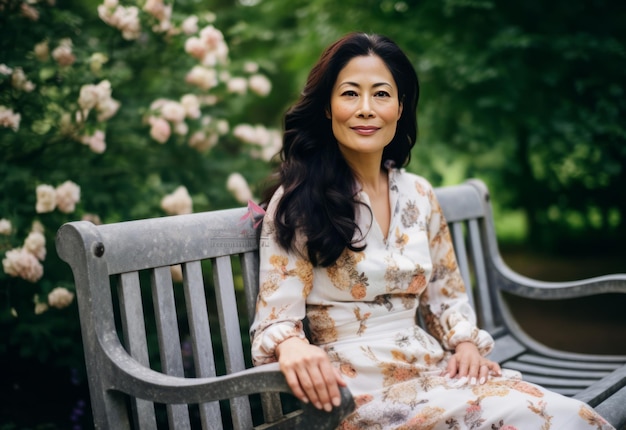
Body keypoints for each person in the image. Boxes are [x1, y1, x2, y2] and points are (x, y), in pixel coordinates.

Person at [249, 32, 614, 429]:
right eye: (350, 94)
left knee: (566, 416)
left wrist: (465, 343)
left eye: (382, 94)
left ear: (401, 107)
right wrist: (290, 346)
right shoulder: (299, 200)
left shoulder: (418, 193)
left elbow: (447, 296)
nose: (366, 109)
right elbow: (275, 318)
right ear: (327, 107)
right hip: (356, 394)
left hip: (434, 374)